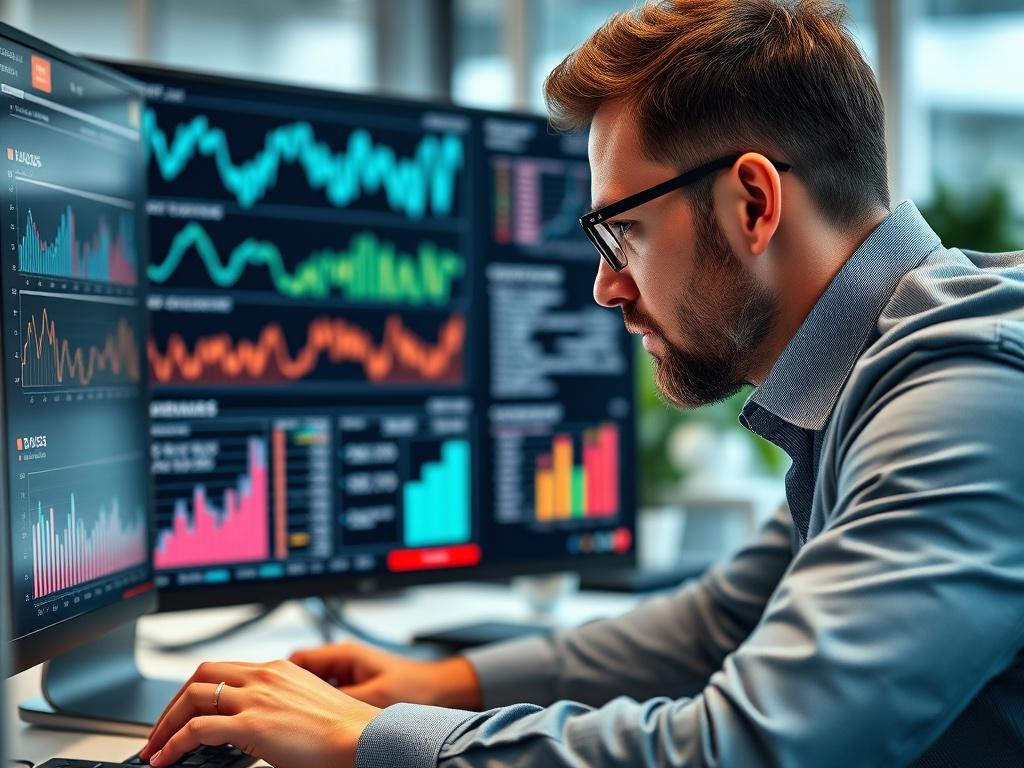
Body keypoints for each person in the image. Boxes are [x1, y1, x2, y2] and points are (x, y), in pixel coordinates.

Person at [139, 0, 1024, 766]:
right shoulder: (880, 373)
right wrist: (443, 683)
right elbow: (723, 620)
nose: (607, 286)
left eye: (621, 232)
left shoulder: (961, 393)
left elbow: (752, 746)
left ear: (753, 203)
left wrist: (369, 742)